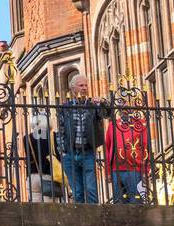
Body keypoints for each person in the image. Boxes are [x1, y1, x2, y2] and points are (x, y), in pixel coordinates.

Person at [56, 74, 108, 204]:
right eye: (81, 85)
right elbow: (61, 130)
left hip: (87, 152)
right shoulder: (65, 108)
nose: (84, 88)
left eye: (86, 85)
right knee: (77, 192)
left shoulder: (92, 105)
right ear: (73, 89)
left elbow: (107, 114)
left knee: (91, 189)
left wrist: (102, 103)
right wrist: (62, 150)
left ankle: (95, 218)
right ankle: (81, 219)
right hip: (70, 153)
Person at [105, 101, 148, 203]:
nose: (125, 109)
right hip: (116, 170)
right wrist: (108, 172)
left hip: (135, 169)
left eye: (128, 106)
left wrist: (146, 170)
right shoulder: (112, 125)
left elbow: (146, 147)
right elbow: (107, 148)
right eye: (122, 107)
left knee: (136, 202)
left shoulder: (140, 124)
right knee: (119, 203)